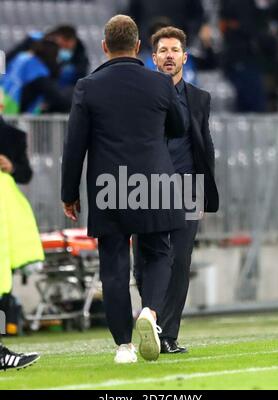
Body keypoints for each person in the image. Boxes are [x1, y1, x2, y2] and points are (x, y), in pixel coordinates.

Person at [61, 15, 186, 363]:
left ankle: (123, 347)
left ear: (104, 47)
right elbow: (178, 126)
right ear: (137, 46)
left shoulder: (87, 87)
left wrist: (69, 193)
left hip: (108, 186)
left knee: (113, 265)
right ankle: (150, 313)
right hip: (155, 182)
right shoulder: (160, 84)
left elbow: (74, 146)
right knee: (160, 253)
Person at [134, 26, 219, 354]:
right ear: (153, 58)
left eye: (175, 50)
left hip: (187, 188)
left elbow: (204, 145)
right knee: (144, 261)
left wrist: (204, 191)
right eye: (163, 51)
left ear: (185, 56)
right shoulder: (140, 96)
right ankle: (150, 318)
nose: (169, 55)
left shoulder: (200, 98)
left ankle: (167, 334)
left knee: (180, 260)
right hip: (146, 188)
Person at [0, 94, 40, 371]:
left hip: (5, 219)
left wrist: (11, 167)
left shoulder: (14, 136)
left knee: (3, 288)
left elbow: (26, 174)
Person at [1, 39, 71, 114]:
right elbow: (61, 101)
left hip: (4, 106)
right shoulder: (38, 74)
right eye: (58, 56)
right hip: (10, 114)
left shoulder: (23, 59)